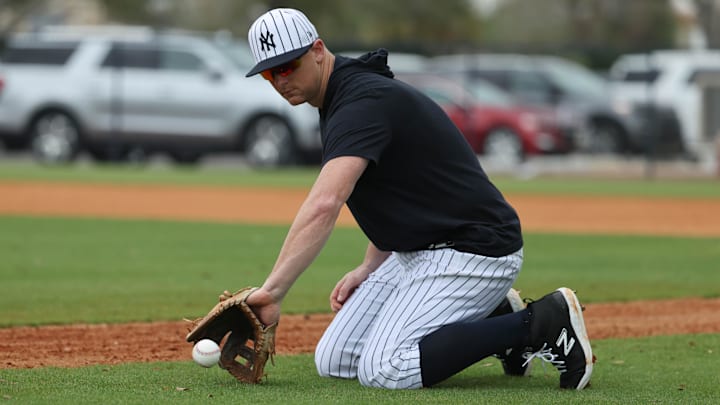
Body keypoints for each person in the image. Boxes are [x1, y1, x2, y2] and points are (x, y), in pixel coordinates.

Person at [243, 8, 594, 390]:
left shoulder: (360, 103)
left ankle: (539, 323)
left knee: (386, 369)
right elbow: (399, 191)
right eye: (268, 72)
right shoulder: (340, 99)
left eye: (287, 67)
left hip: (475, 250)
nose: (279, 80)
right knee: (336, 360)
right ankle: (492, 311)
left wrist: (273, 291)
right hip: (421, 250)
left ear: (317, 50)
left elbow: (325, 203)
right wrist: (368, 267)